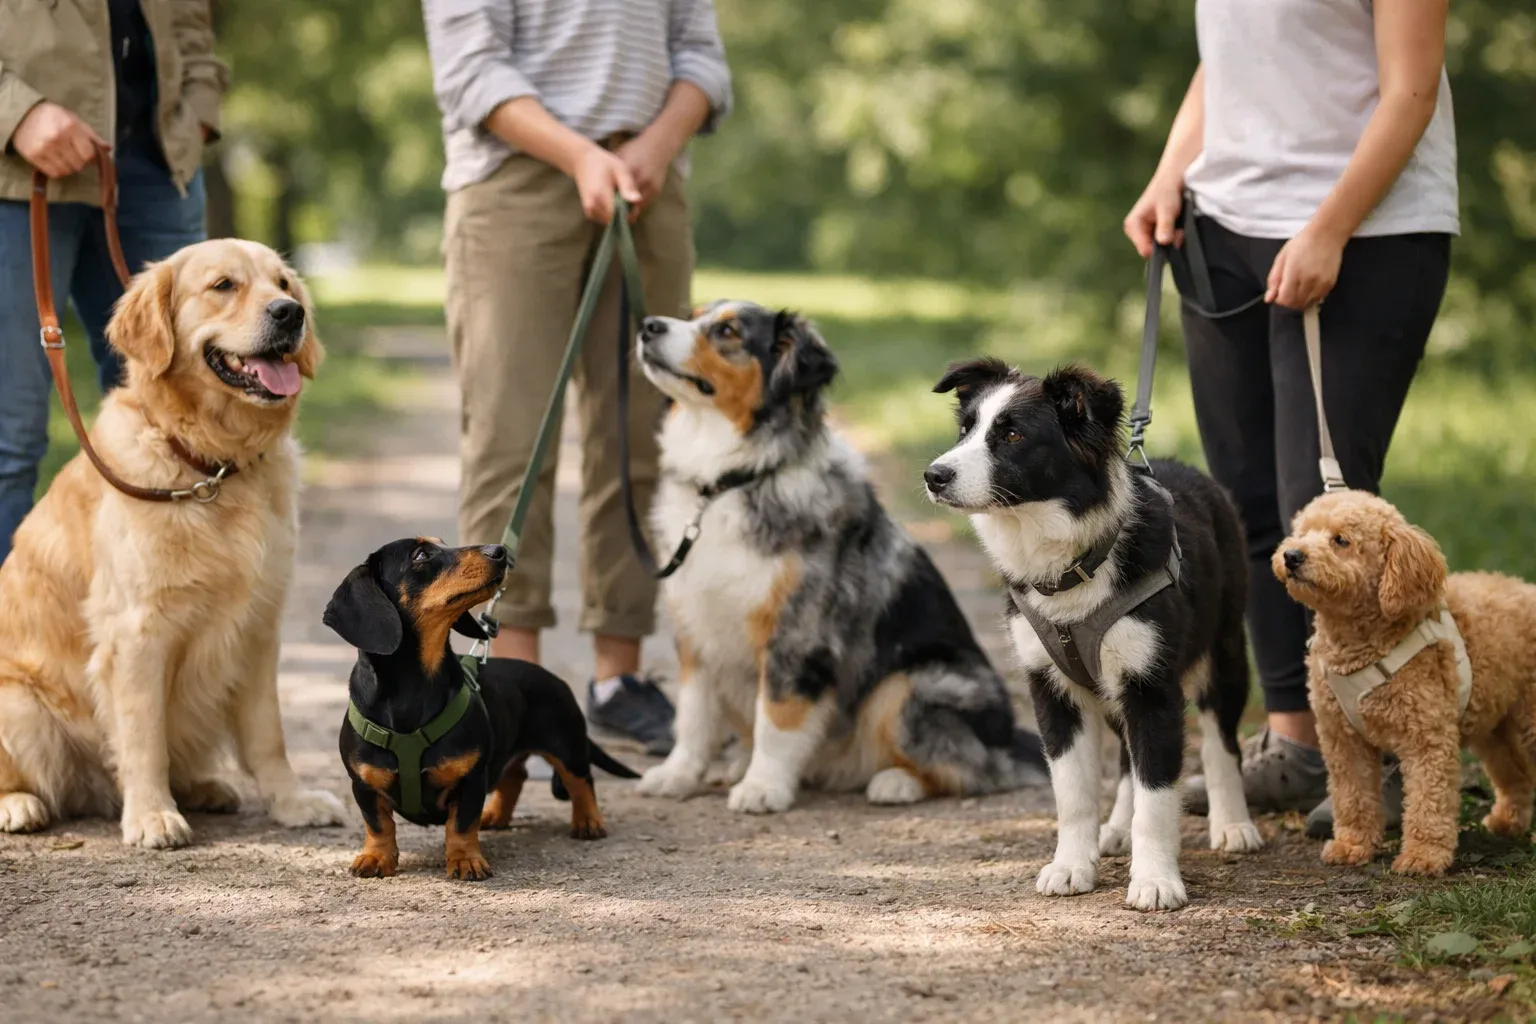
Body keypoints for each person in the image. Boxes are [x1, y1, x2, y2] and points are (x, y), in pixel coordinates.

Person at [1124, 0, 1457, 835]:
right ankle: (1297, 742)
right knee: (1249, 510)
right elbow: (1231, 60)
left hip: (1367, 230)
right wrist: (1173, 169)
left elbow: (1411, 90)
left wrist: (1330, 230)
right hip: (1223, 227)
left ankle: (1383, 748)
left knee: (1327, 502)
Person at [423, 1, 732, 755]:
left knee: (642, 435)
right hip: (514, 182)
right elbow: (470, 67)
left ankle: (617, 678)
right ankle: (512, 683)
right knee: (511, 436)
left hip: (648, 181)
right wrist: (579, 155)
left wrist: (652, 147)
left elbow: (701, 56)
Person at [0, 0, 226, 566]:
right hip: (15, 172)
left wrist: (198, 108)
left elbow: (192, 23)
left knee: (186, 424)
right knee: (10, 439)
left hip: (159, 164)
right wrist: (14, 113)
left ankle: (149, 631)